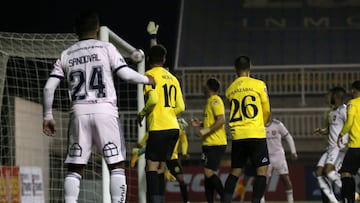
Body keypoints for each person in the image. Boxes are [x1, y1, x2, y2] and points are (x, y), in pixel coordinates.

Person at [42, 11, 155, 203]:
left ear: (75, 30)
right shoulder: (106, 47)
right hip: (105, 112)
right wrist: (147, 79)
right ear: (97, 28)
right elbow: (126, 75)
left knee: (75, 167)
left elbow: (48, 88)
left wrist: (48, 115)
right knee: (116, 165)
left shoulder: (66, 54)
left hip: (78, 113)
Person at [136, 39, 185, 203]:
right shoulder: (173, 78)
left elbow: (152, 100)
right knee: (160, 166)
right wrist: (169, 113)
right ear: (164, 60)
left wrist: (142, 114)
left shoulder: (148, 76)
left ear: (149, 60)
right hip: (173, 128)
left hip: (158, 127)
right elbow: (181, 107)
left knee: (150, 165)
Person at [222, 55, 271, 203]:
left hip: (238, 135)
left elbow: (231, 109)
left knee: (236, 171)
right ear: (251, 66)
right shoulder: (259, 84)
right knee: (261, 172)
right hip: (256, 133)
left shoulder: (229, 90)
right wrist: (260, 124)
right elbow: (266, 109)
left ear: (235, 69)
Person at [131, 117, 190, 203]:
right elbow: (149, 134)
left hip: (172, 158)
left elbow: (184, 142)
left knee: (180, 179)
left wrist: (184, 153)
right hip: (161, 156)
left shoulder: (180, 131)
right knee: (155, 175)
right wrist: (141, 143)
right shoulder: (162, 127)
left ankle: (186, 200)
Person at [191, 77, 227, 203]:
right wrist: (201, 124)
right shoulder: (209, 101)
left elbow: (221, 120)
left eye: (204, 84)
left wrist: (204, 131)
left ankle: (225, 199)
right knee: (207, 176)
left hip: (216, 143)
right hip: (208, 143)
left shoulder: (216, 101)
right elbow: (211, 122)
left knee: (208, 172)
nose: (202, 86)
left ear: (208, 87)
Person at [313, 87, 349, 203]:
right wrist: (321, 131)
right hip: (330, 148)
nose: (327, 97)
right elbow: (330, 129)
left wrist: (347, 143)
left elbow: (351, 127)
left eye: (329, 95)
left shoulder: (344, 110)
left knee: (330, 172)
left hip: (340, 148)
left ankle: (351, 193)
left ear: (335, 96)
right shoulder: (331, 112)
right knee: (319, 172)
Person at [263, 117, 298, 203]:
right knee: (263, 180)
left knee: (285, 178)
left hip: (278, 156)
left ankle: (290, 200)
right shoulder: (259, 125)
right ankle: (261, 200)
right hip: (266, 157)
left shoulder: (277, 124)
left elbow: (288, 136)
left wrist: (293, 152)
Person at [337, 80, 360, 203]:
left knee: (346, 173)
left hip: (356, 146)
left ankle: (348, 200)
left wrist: (341, 134)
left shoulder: (352, 103)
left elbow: (350, 122)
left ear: (353, 91)